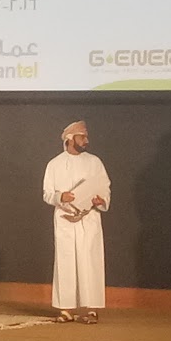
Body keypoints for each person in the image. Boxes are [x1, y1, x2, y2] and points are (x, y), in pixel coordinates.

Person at [42, 120, 111, 324]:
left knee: (90, 261)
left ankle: (91, 309)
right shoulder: (54, 164)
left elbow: (104, 187)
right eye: (82, 137)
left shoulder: (95, 162)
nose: (86, 140)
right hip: (65, 219)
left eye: (86, 136)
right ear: (70, 139)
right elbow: (47, 193)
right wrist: (60, 197)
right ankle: (66, 309)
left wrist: (101, 200)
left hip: (89, 218)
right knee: (66, 262)